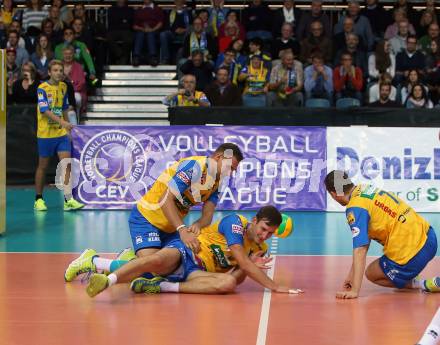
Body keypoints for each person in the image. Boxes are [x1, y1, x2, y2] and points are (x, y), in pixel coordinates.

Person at [65, 206, 303, 297]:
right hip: (189, 252)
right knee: (156, 260)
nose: (264, 236)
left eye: (270, 234)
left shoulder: (258, 248)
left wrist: (246, 266)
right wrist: (274, 285)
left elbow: (237, 278)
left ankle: (159, 286)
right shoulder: (235, 223)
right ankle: (103, 272)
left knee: (227, 285)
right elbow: (242, 258)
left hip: (197, 272)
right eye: (263, 230)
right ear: (254, 221)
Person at [324, 170, 439, 299]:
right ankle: (409, 273)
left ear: (334, 194)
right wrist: (351, 276)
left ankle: (423, 284)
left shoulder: (355, 208)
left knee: (372, 274)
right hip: (430, 238)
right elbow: (364, 240)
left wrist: (355, 290)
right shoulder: (365, 188)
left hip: (414, 254)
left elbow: (360, 250)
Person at [34, 60, 84, 212]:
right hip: (45, 134)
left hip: (61, 134)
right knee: (43, 166)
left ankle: (68, 199)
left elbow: (63, 109)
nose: (58, 73)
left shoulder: (63, 87)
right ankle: (38, 199)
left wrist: (67, 129)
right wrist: (64, 123)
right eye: (55, 70)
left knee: (66, 164)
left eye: (60, 70)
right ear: (49, 72)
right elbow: (46, 111)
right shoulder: (42, 88)